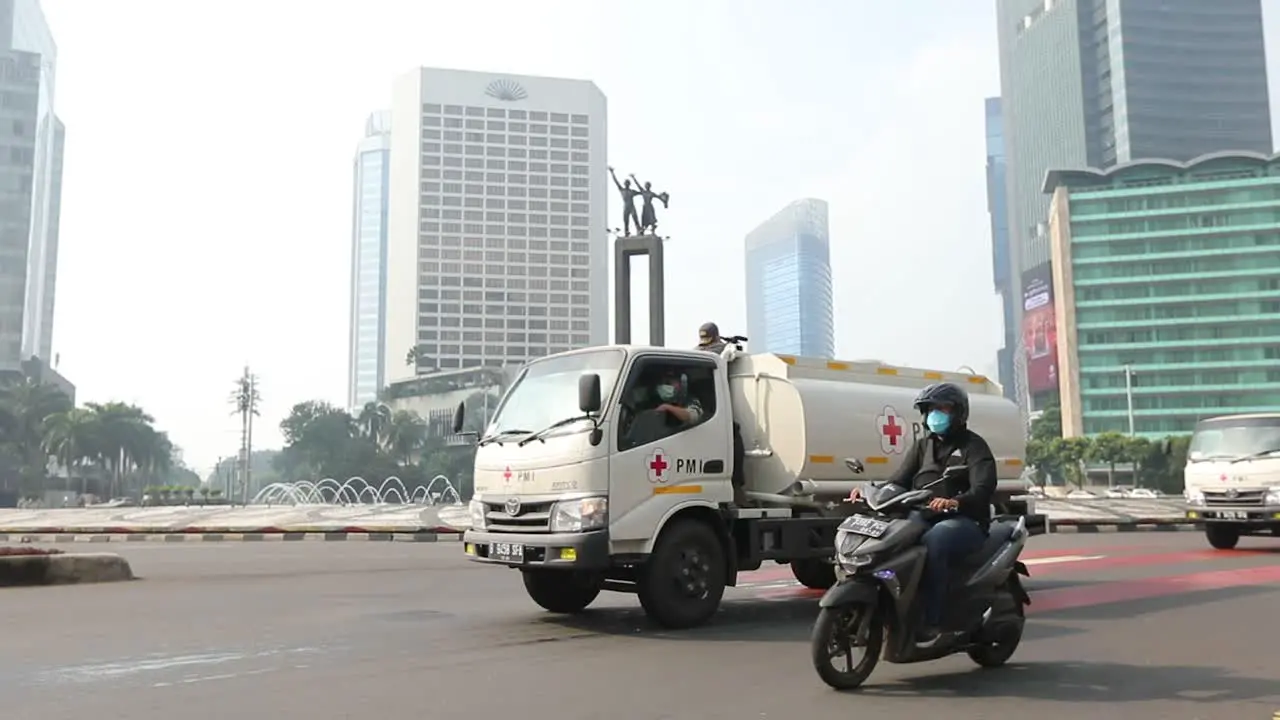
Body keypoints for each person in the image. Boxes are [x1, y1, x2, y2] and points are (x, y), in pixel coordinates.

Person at [848, 382, 997, 646]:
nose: (935, 415)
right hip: (922, 515)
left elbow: (983, 489)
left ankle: (933, 620)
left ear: (959, 413)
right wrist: (870, 491)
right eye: (930, 409)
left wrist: (953, 502)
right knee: (894, 539)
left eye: (943, 408)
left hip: (964, 521)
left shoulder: (974, 446)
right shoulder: (921, 446)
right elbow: (899, 481)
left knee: (935, 542)